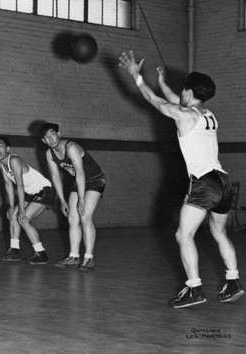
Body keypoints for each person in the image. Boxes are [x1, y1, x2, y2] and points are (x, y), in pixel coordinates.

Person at [118, 50, 244, 308]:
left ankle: (194, 288)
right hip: (223, 181)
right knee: (219, 233)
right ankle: (233, 282)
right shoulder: (208, 115)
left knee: (183, 235)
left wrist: (137, 77)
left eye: (183, 90)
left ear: (188, 91)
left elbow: (154, 101)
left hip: (204, 182)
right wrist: (164, 82)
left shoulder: (185, 116)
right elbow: (177, 101)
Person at [40, 123, 105, 271]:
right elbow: (56, 177)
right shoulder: (50, 154)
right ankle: (74, 257)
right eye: (46, 138)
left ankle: (89, 258)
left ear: (58, 134)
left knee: (85, 217)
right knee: (72, 217)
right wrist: (62, 200)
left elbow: (80, 172)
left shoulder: (71, 148)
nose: (51, 139)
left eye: (52, 134)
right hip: (79, 183)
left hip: (95, 180)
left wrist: (81, 199)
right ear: (44, 141)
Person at [0, 136, 55, 264]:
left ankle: (41, 253)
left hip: (44, 190)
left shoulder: (13, 160)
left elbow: (20, 185)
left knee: (23, 219)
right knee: (13, 215)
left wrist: (22, 211)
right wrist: (11, 205)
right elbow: (8, 184)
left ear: (7, 148)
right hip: (30, 192)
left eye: (1, 146)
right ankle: (14, 251)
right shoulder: (0, 163)